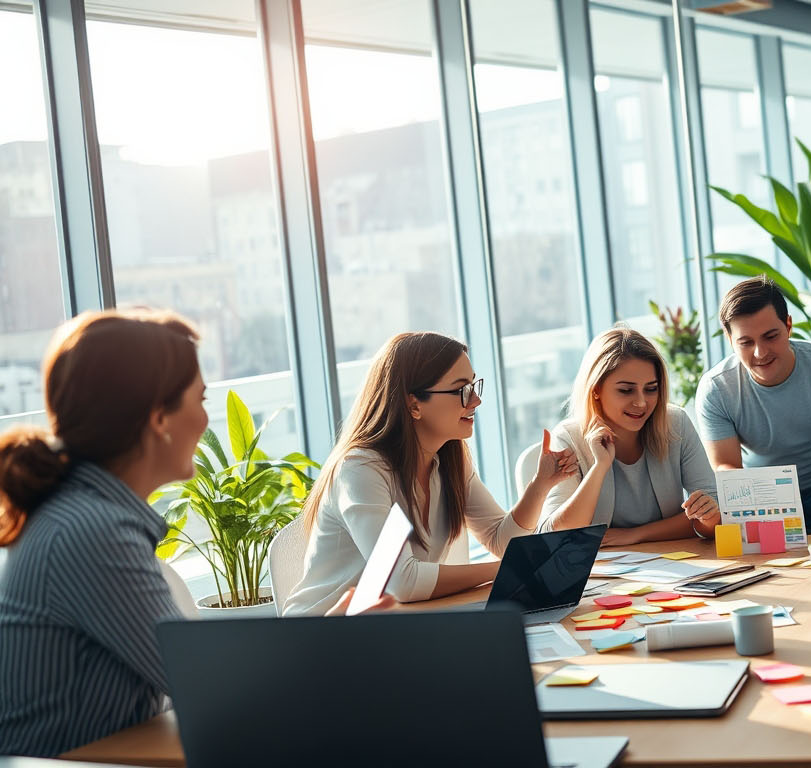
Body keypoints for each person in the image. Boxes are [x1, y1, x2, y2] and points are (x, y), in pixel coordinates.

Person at [0, 310, 387, 757]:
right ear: (158, 417)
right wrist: (335, 636)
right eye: (200, 400)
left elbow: (203, 680)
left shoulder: (86, 515)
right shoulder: (91, 532)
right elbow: (213, 691)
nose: (206, 421)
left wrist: (333, 624)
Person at [283, 332, 576, 615]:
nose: (476, 401)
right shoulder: (360, 469)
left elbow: (502, 542)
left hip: (387, 630)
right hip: (320, 640)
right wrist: (511, 568)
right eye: (462, 390)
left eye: (474, 386)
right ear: (413, 404)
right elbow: (401, 581)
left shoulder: (450, 460)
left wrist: (540, 485)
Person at [696, 276, 811, 533]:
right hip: (762, 501)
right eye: (746, 342)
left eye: (770, 336)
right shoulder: (716, 389)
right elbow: (726, 467)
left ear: (789, 325)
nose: (760, 353)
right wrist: (758, 507)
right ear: (729, 339)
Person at [539, 328, 719, 546]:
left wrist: (634, 535)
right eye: (626, 390)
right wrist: (599, 467)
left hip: (674, 562)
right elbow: (555, 535)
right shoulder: (569, 438)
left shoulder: (675, 423)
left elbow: (713, 519)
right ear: (596, 389)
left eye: (651, 389)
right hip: (604, 573)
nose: (641, 403)